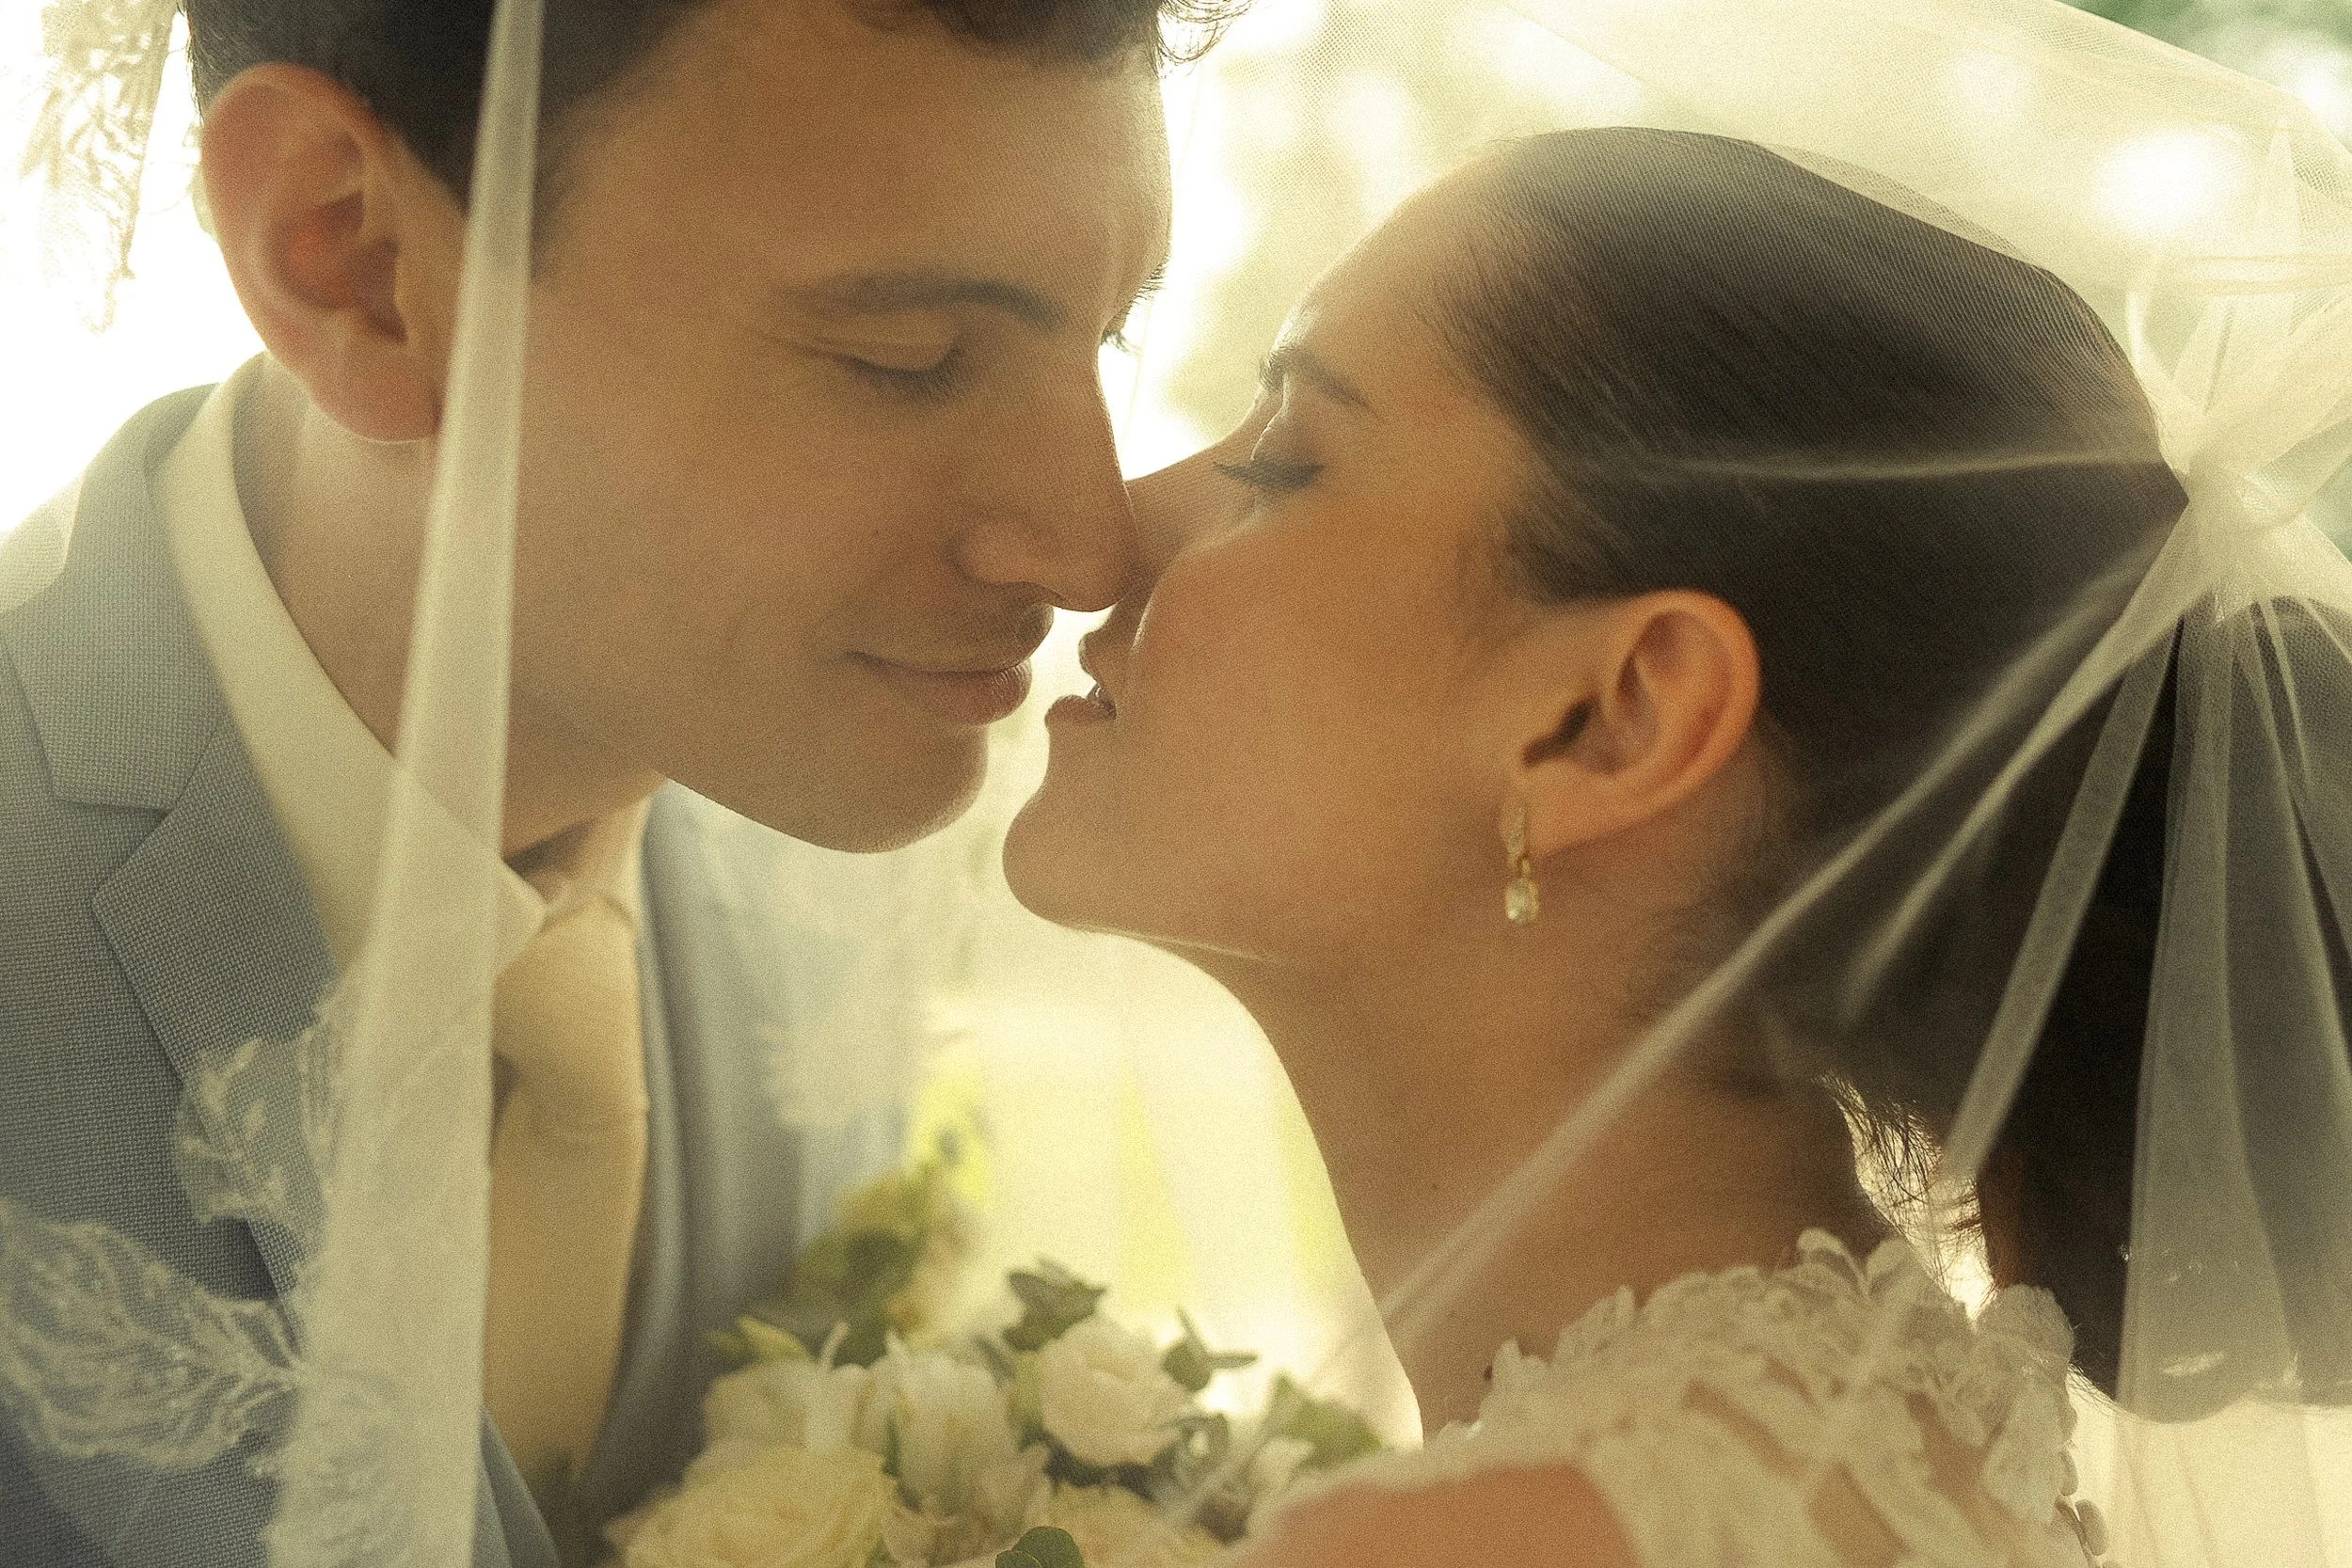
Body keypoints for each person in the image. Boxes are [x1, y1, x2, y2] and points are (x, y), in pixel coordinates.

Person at [1004, 114, 2352, 1567]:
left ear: (1614, 717)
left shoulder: (1505, 1543)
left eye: (1284, 460)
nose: (1107, 529)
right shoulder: (1870, 1464)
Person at [0, 1, 1217, 1562]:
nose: (1085, 546)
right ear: (349, 258)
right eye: (901, 360)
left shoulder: (838, 859)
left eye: (1106, 331)